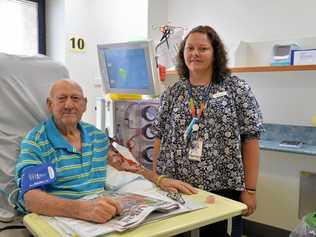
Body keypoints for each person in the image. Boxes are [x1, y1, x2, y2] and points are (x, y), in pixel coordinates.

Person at [15, 79, 196, 224]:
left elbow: (126, 165)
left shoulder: (97, 137)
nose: (69, 105)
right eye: (62, 99)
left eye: (75, 98)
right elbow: (31, 198)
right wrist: (81, 209)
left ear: (85, 104)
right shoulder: (36, 142)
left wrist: (159, 179)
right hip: (60, 218)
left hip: (100, 216)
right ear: (49, 104)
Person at [151, 25, 264, 237]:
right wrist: (157, 177)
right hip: (177, 182)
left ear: (215, 53)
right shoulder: (174, 92)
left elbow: (251, 140)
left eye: (203, 48)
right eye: (189, 48)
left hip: (220, 183)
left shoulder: (236, 89)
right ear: (183, 53)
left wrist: (250, 190)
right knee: (172, 232)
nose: (195, 53)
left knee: (215, 234)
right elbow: (159, 136)